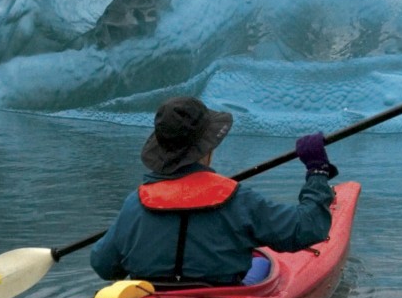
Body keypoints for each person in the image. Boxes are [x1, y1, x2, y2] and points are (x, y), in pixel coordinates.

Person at [89, 96, 338, 286]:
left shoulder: (135, 205)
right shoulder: (237, 200)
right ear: (206, 148)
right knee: (262, 261)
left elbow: (103, 266)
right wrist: (317, 172)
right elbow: (310, 227)